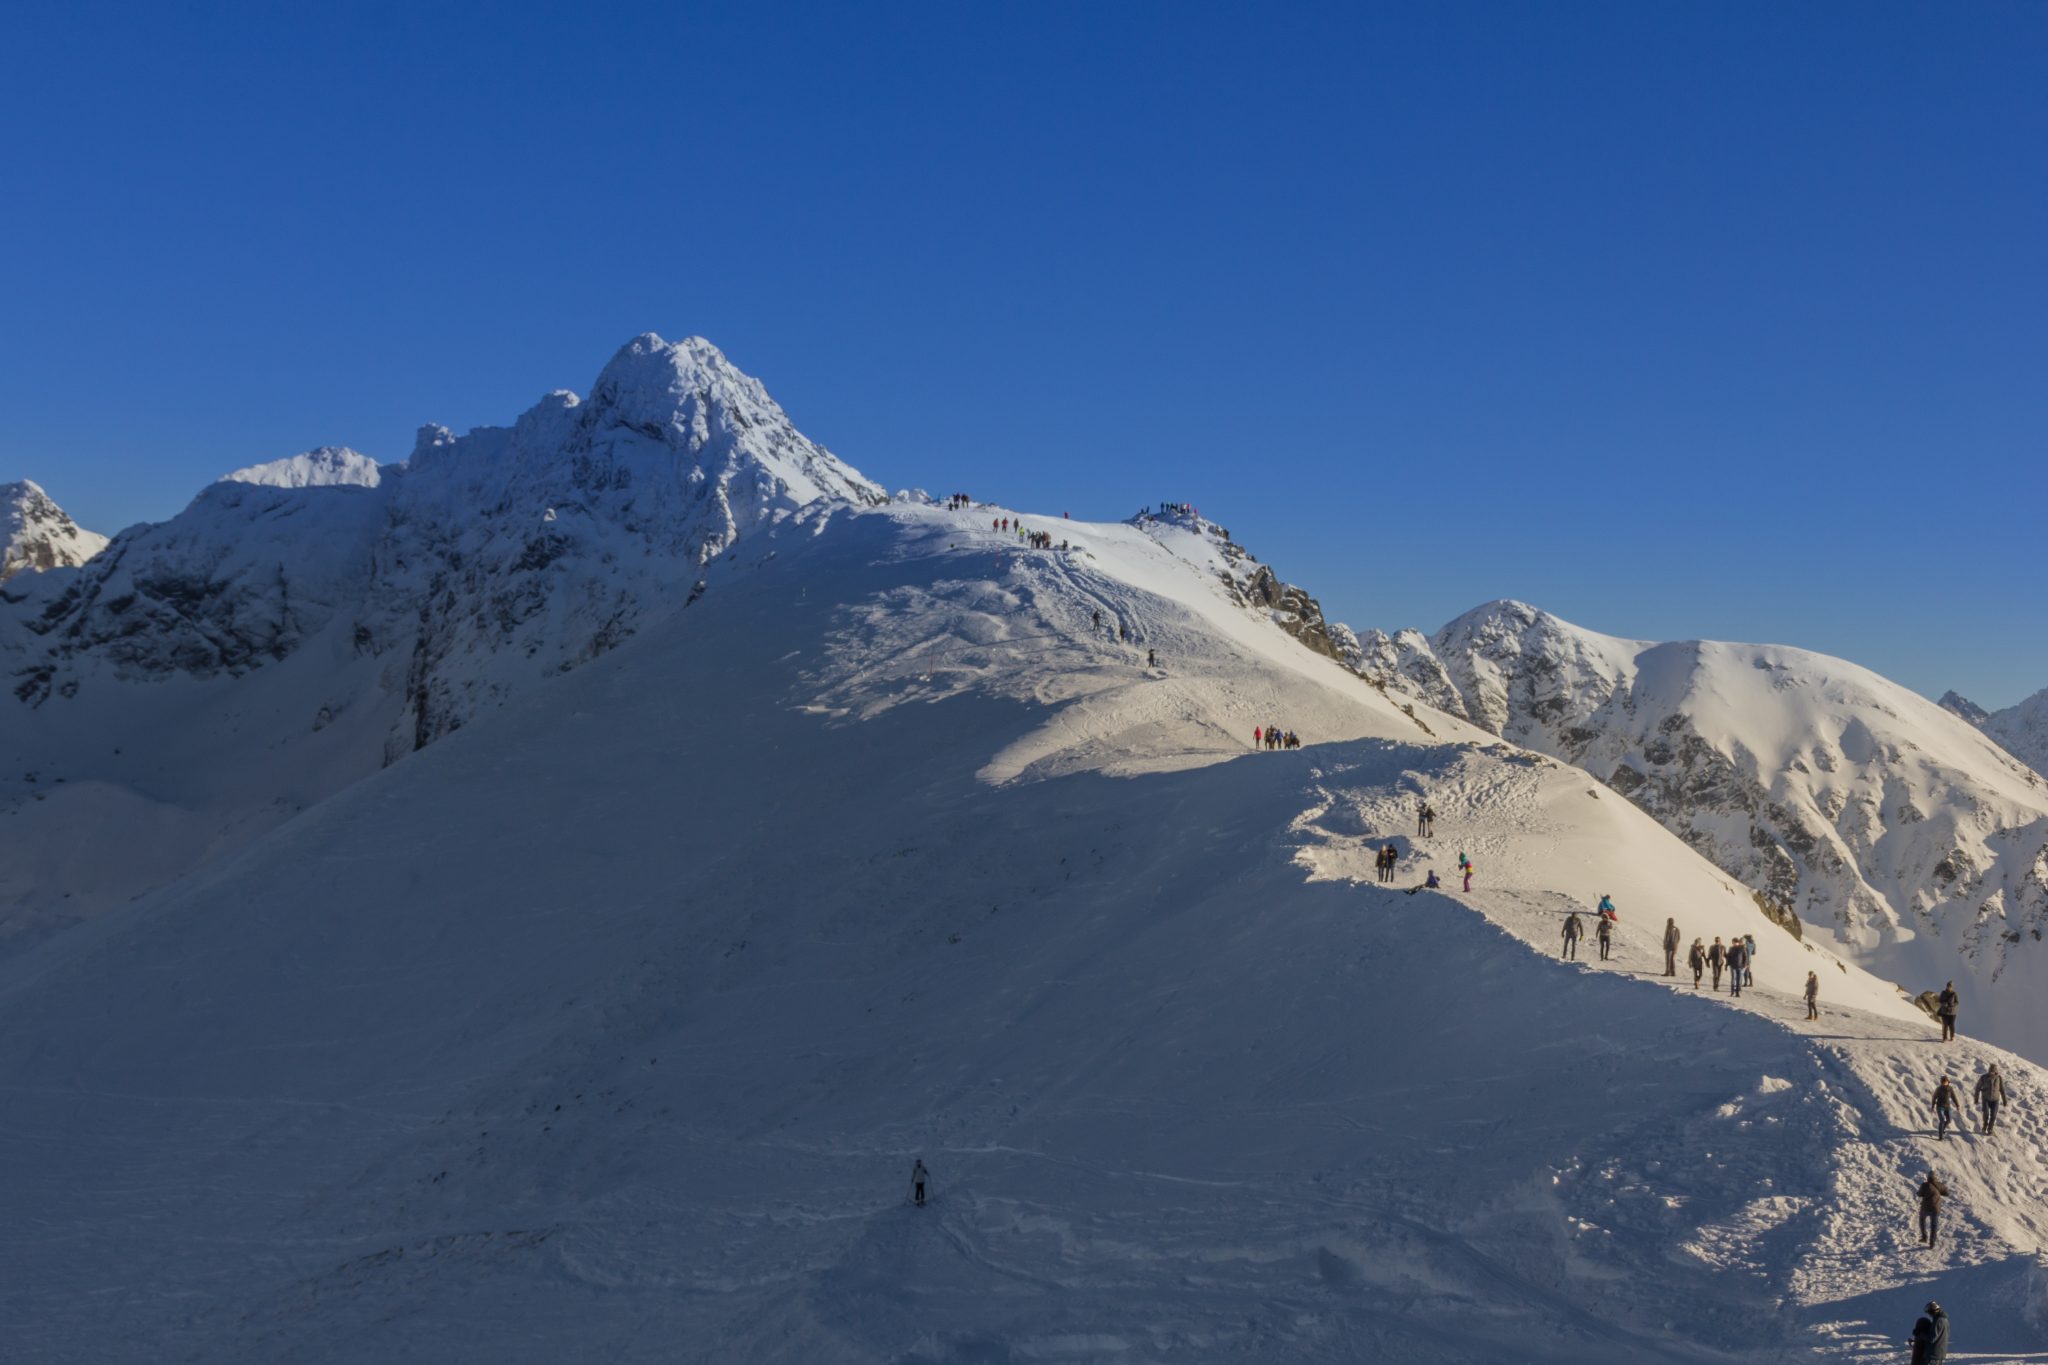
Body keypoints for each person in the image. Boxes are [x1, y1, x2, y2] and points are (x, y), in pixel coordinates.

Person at [1916, 1172, 1947, 1247]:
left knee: (1922, 1220)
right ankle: (1932, 1243)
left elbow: (1919, 1194)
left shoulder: (1924, 1185)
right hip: (1935, 1208)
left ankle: (1924, 1237)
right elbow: (1947, 1193)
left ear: (1928, 1177)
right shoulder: (1939, 1185)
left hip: (1925, 1208)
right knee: (1934, 1225)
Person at [1974, 1064, 2006, 1135]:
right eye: (1990, 1071)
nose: (1991, 1073)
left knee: (1994, 1115)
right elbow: (1978, 1088)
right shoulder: (1983, 1077)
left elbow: (2002, 1089)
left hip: (1995, 1100)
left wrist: (2004, 1100)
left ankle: (1990, 1128)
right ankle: (1985, 1126)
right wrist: (1976, 1098)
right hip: (1986, 1098)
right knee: (1986, 1113)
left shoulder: (1999, 1078)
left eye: (1992, 1071)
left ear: (1995, 1071)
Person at [1932, 1076, 1961, 1141]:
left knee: (1949, 1120)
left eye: (1945, 1081)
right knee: (1942, 1120)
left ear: (1948, 1082)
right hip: (1940, 1106)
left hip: (1947, 1107)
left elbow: (1954, 1097)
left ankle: (1942, 1129)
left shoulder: (1950, 1089)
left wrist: (1957, 1105)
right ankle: (1940, 1136)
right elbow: (1934, 1097)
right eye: (1943, 1082)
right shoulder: (1938, 1089)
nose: (1944, 1083)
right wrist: (1933, 1106)